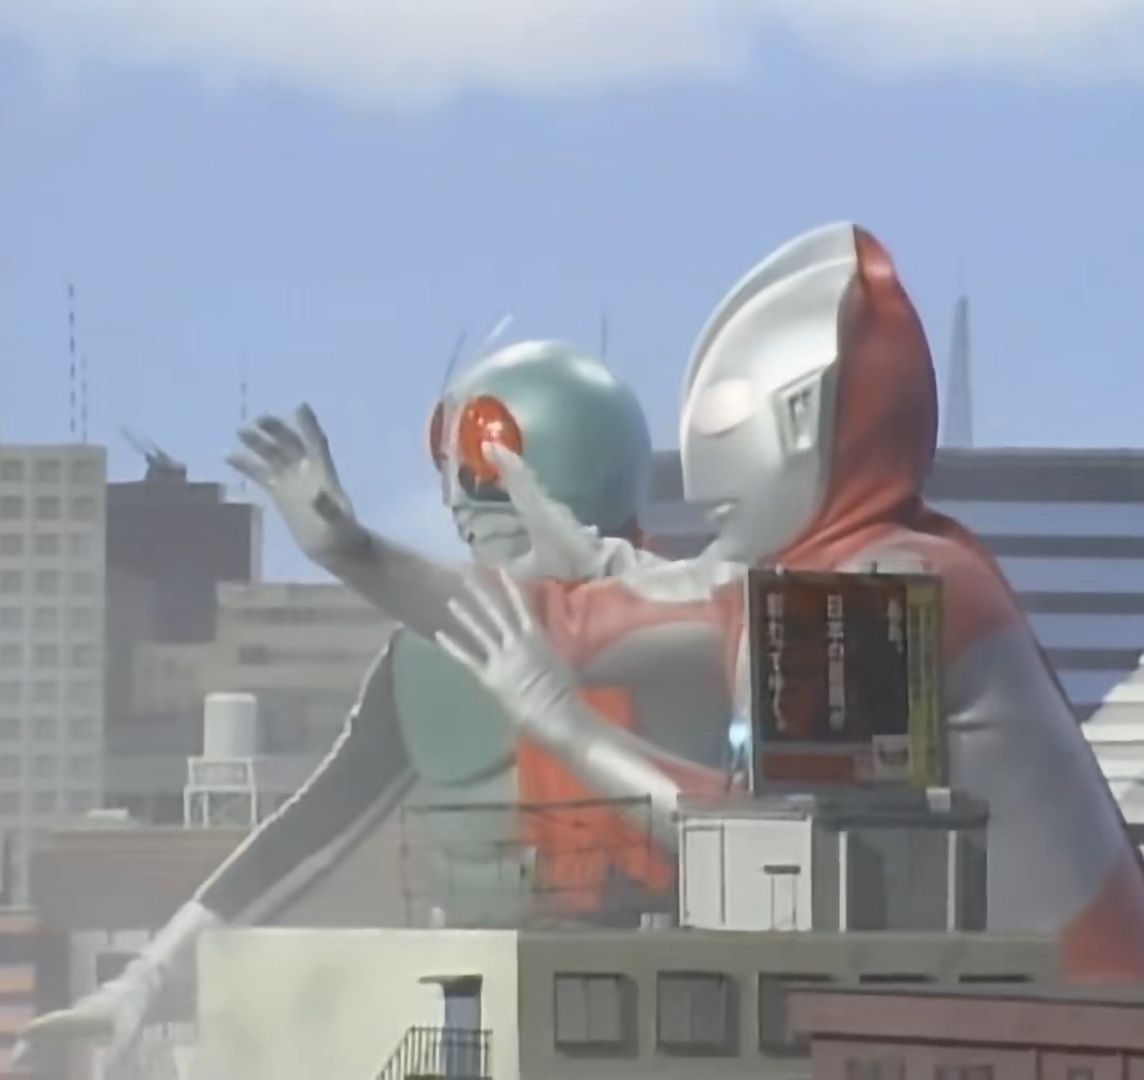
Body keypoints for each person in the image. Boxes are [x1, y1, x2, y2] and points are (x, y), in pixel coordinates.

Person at [436, 222, 1144, 982]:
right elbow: (640, 603)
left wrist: (570, 727)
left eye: (723, 418)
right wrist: (368, 552)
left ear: (803, 417)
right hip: (1006, 1009)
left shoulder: (876, 593)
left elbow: (764, 840)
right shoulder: (895, 565)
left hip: (1050, 1015)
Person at [15, 339, 666, 1067]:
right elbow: (311, 831)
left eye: (479, 458)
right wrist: (143, 981)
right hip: (491, 1022)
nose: (454, 499)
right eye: (448, 462)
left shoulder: (703, 632)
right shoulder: (429, 661)